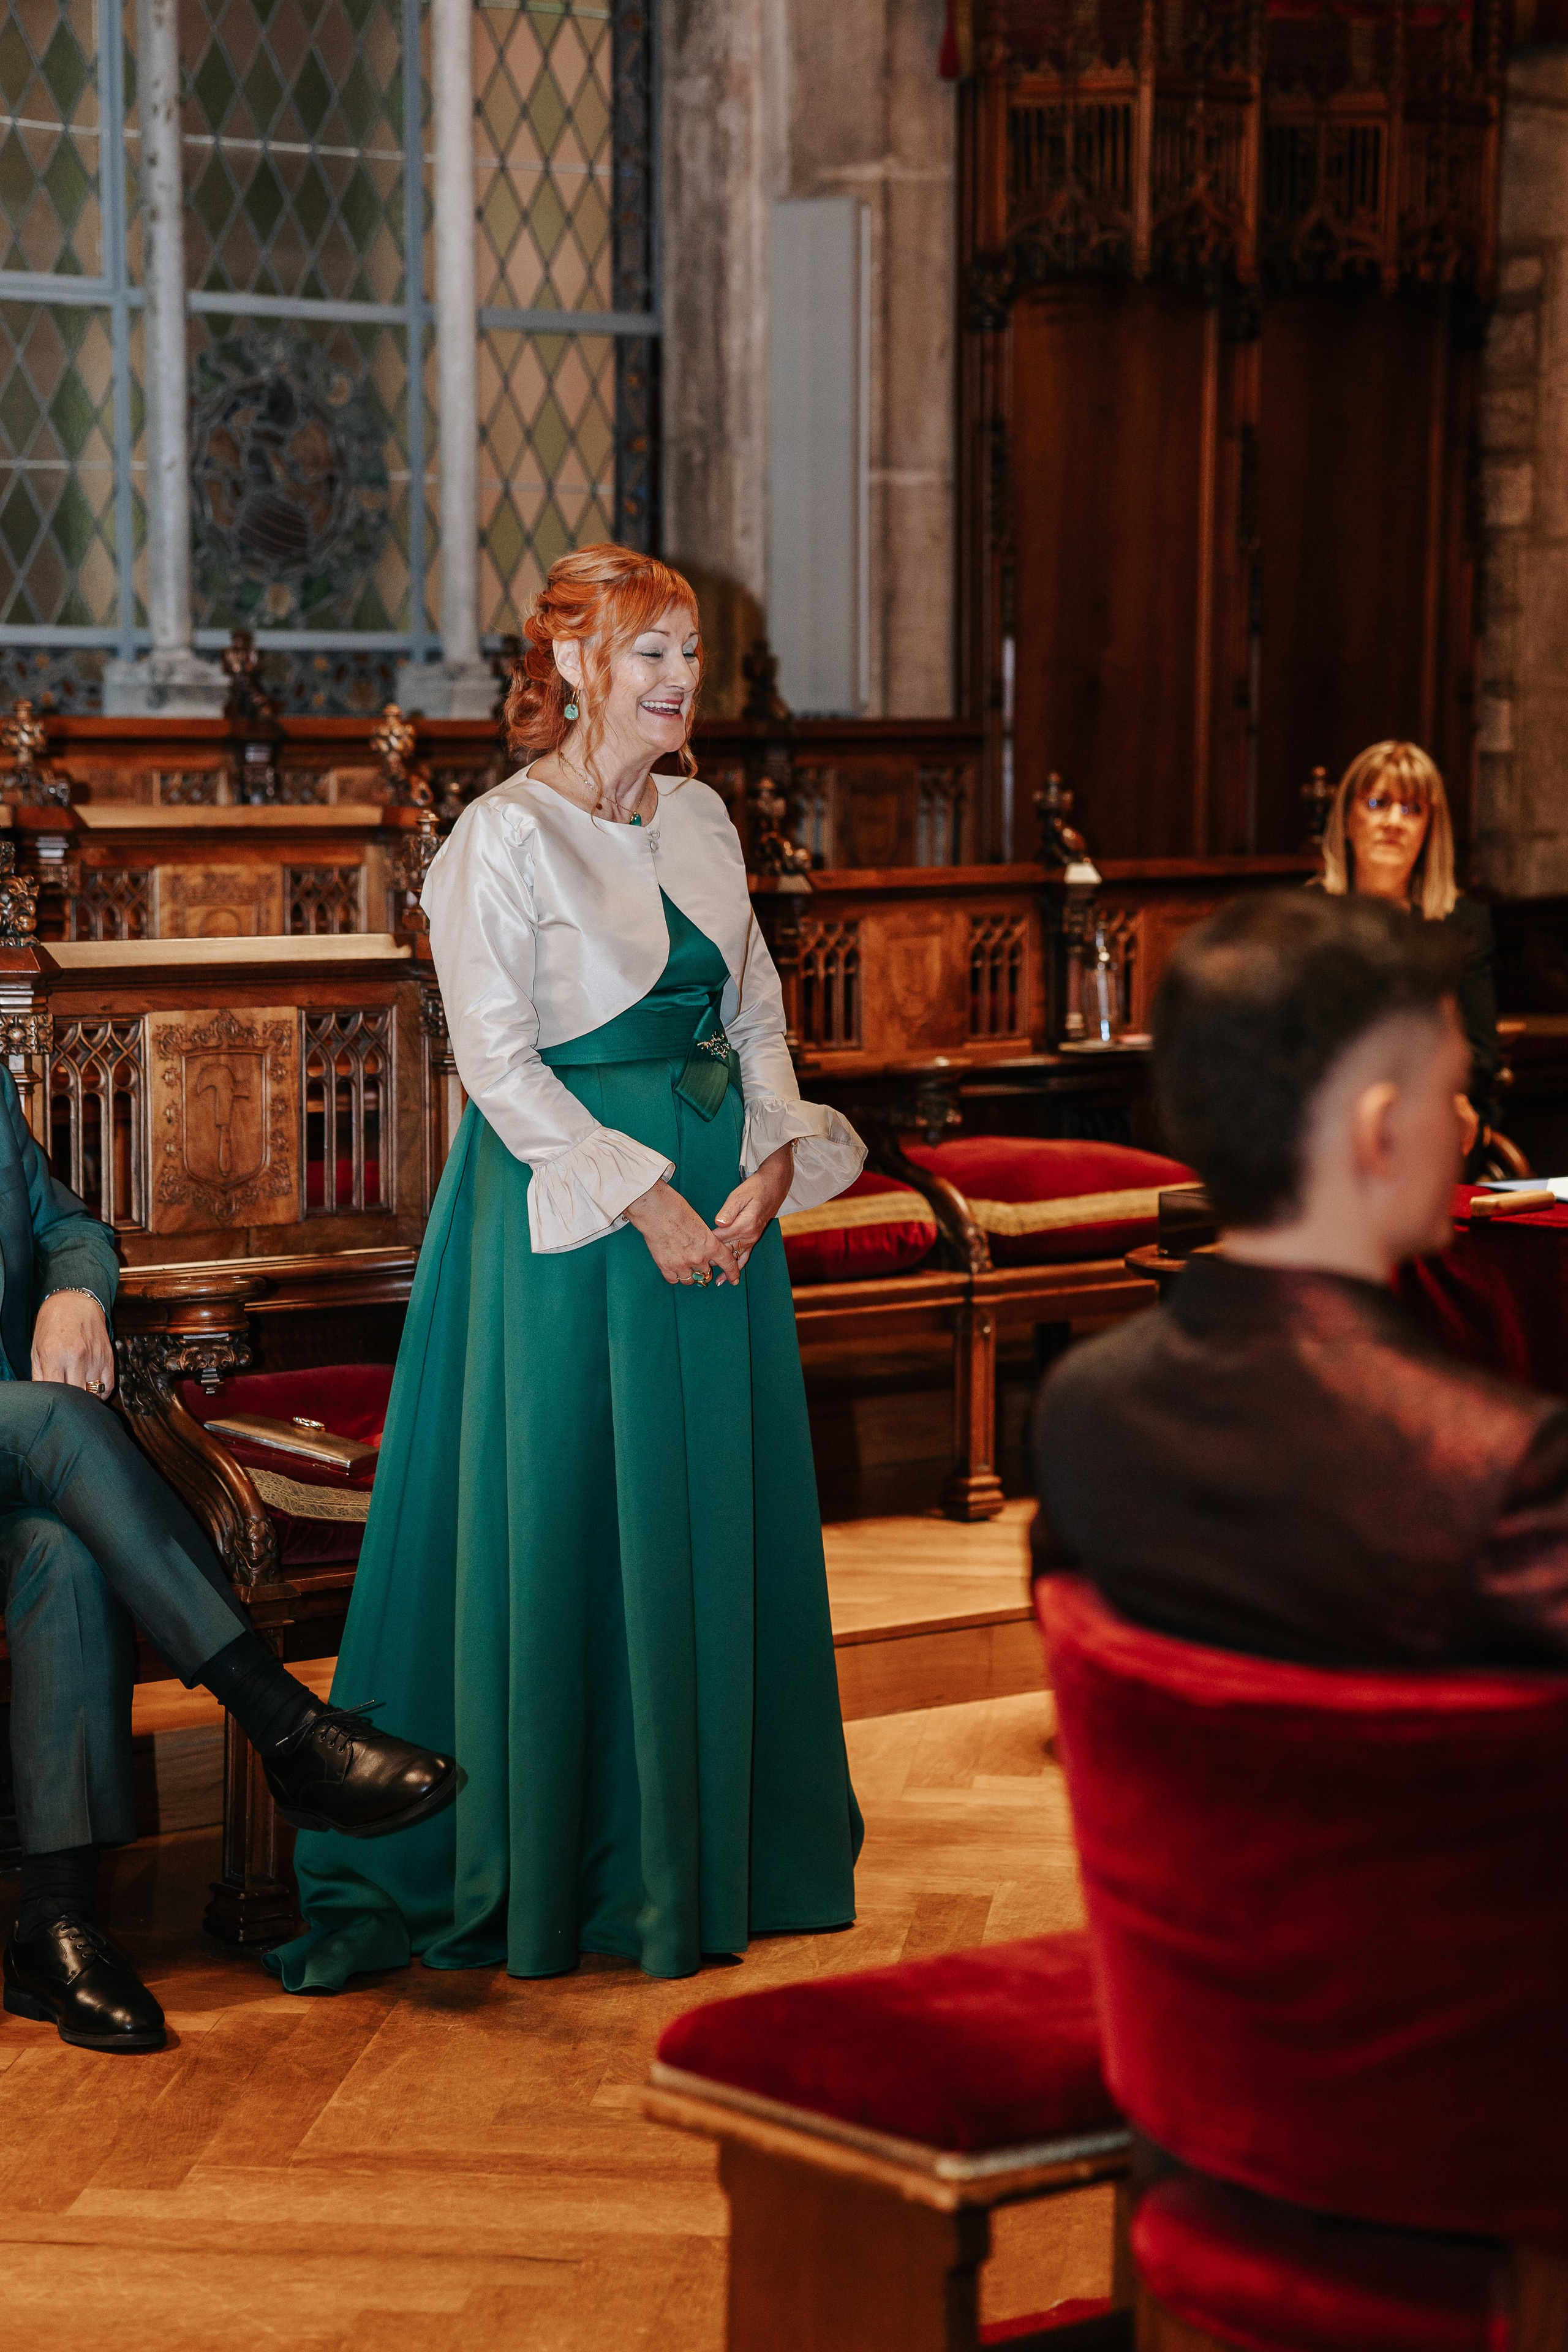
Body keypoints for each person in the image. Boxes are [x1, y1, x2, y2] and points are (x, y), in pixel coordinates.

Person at [267, 545, 866, 1996]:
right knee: (563, 1517)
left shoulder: (707, 817)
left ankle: (708, 1851)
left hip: (724, 1214)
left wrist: (773, 1158)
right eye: (645, 649)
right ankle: (551, 1863)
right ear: (576, 665)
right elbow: (497, 1066)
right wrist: (645, 1193)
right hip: (566, 1222)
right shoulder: (498, 838)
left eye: (687, 652)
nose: (674, 679)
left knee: (701, 1522)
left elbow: (758, 1015)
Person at [0, 1083, 457, 2054]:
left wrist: (76, 1291)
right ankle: (287, 1726)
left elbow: (65, 1223)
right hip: (29, 1428)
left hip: (17, 1464)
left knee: (63, 1554)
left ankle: (56, 1924)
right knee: (58, 1422)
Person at [1032, 891, 1568, 1666]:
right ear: (1378, 1133)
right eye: (1449, 1094)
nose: (1459, 1130)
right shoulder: (1497, 1462)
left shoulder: (1080, 1409)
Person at [1317, 737, 1499, 1153]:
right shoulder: (1306, 920)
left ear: (1430, 830)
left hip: (1427, 1119)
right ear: (1348, 820)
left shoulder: (1463, 923)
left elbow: (1481, 1058)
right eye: (1377, 804)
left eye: (1412, 809)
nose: (1394, 822)